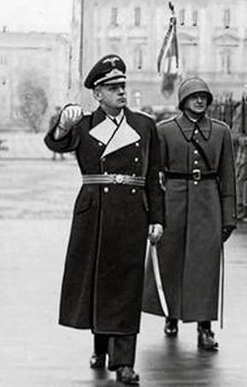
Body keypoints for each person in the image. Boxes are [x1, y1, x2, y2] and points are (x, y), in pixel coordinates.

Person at [44, 54, 165, 385]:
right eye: (112, 88)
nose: (120, 92)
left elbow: (154, 175)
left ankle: (124, 362)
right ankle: (100, 344)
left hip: (130, 212)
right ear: (97, 94)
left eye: (122, 86)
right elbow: (54, 142)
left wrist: (157, 218)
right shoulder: (82, 124)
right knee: (97, 280)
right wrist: (63, 124)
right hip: (94, 210)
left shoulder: (143, 125)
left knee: (126, 286)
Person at [143, 77, 237, 350]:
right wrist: (154, 213)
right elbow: (153, 174)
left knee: (204, 267)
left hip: (208, 201)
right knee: (171, 260)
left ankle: (204, 328)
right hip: (174, 199)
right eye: (194, 97)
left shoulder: (221, 132)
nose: (199, 101)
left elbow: (228, 177)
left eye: (204, 97)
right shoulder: (165, 131)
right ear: (183, 101)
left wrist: (228, 216)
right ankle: (170, 314)